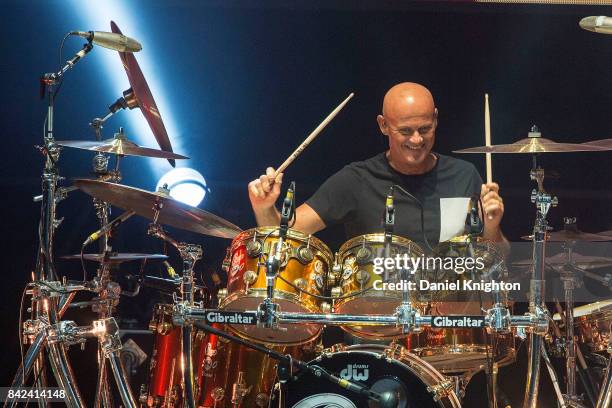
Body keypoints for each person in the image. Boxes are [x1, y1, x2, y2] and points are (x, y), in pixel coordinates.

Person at [248, 82, 506, 248]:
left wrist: (492, 228)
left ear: (436, 120)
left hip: (446, 323)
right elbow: (283, 235)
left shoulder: (464, 175)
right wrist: (264, 208)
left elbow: (497, 259)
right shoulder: (356, 180)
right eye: (405, 131)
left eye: (425, 129)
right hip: (377, 325)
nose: (417, 139)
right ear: (383, 125)